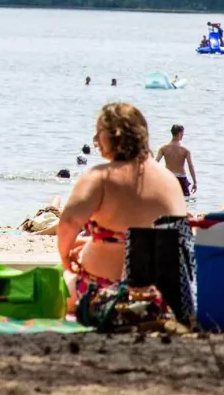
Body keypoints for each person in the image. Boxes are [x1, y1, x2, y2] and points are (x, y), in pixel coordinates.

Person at [59, 103, 187, 300]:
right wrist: (95, 241)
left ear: (115, 135)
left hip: (110, 296)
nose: (94, 139)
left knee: (62, 278)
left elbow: (68, 222)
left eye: (99, 132)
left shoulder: (100, 176)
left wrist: (66, 258)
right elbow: (141, 237)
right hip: (166, 296)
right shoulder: (169, 179)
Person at [156, 124, 196, 198]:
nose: (183, 135)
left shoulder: (163, 148)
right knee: (184, 201)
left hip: (167, 178)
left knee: (167, 200)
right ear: (179, 133)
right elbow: (190, 166)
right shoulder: (185, 149)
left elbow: (155, 163)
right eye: (183, 133)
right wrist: (195, 182)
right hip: (181, 179)